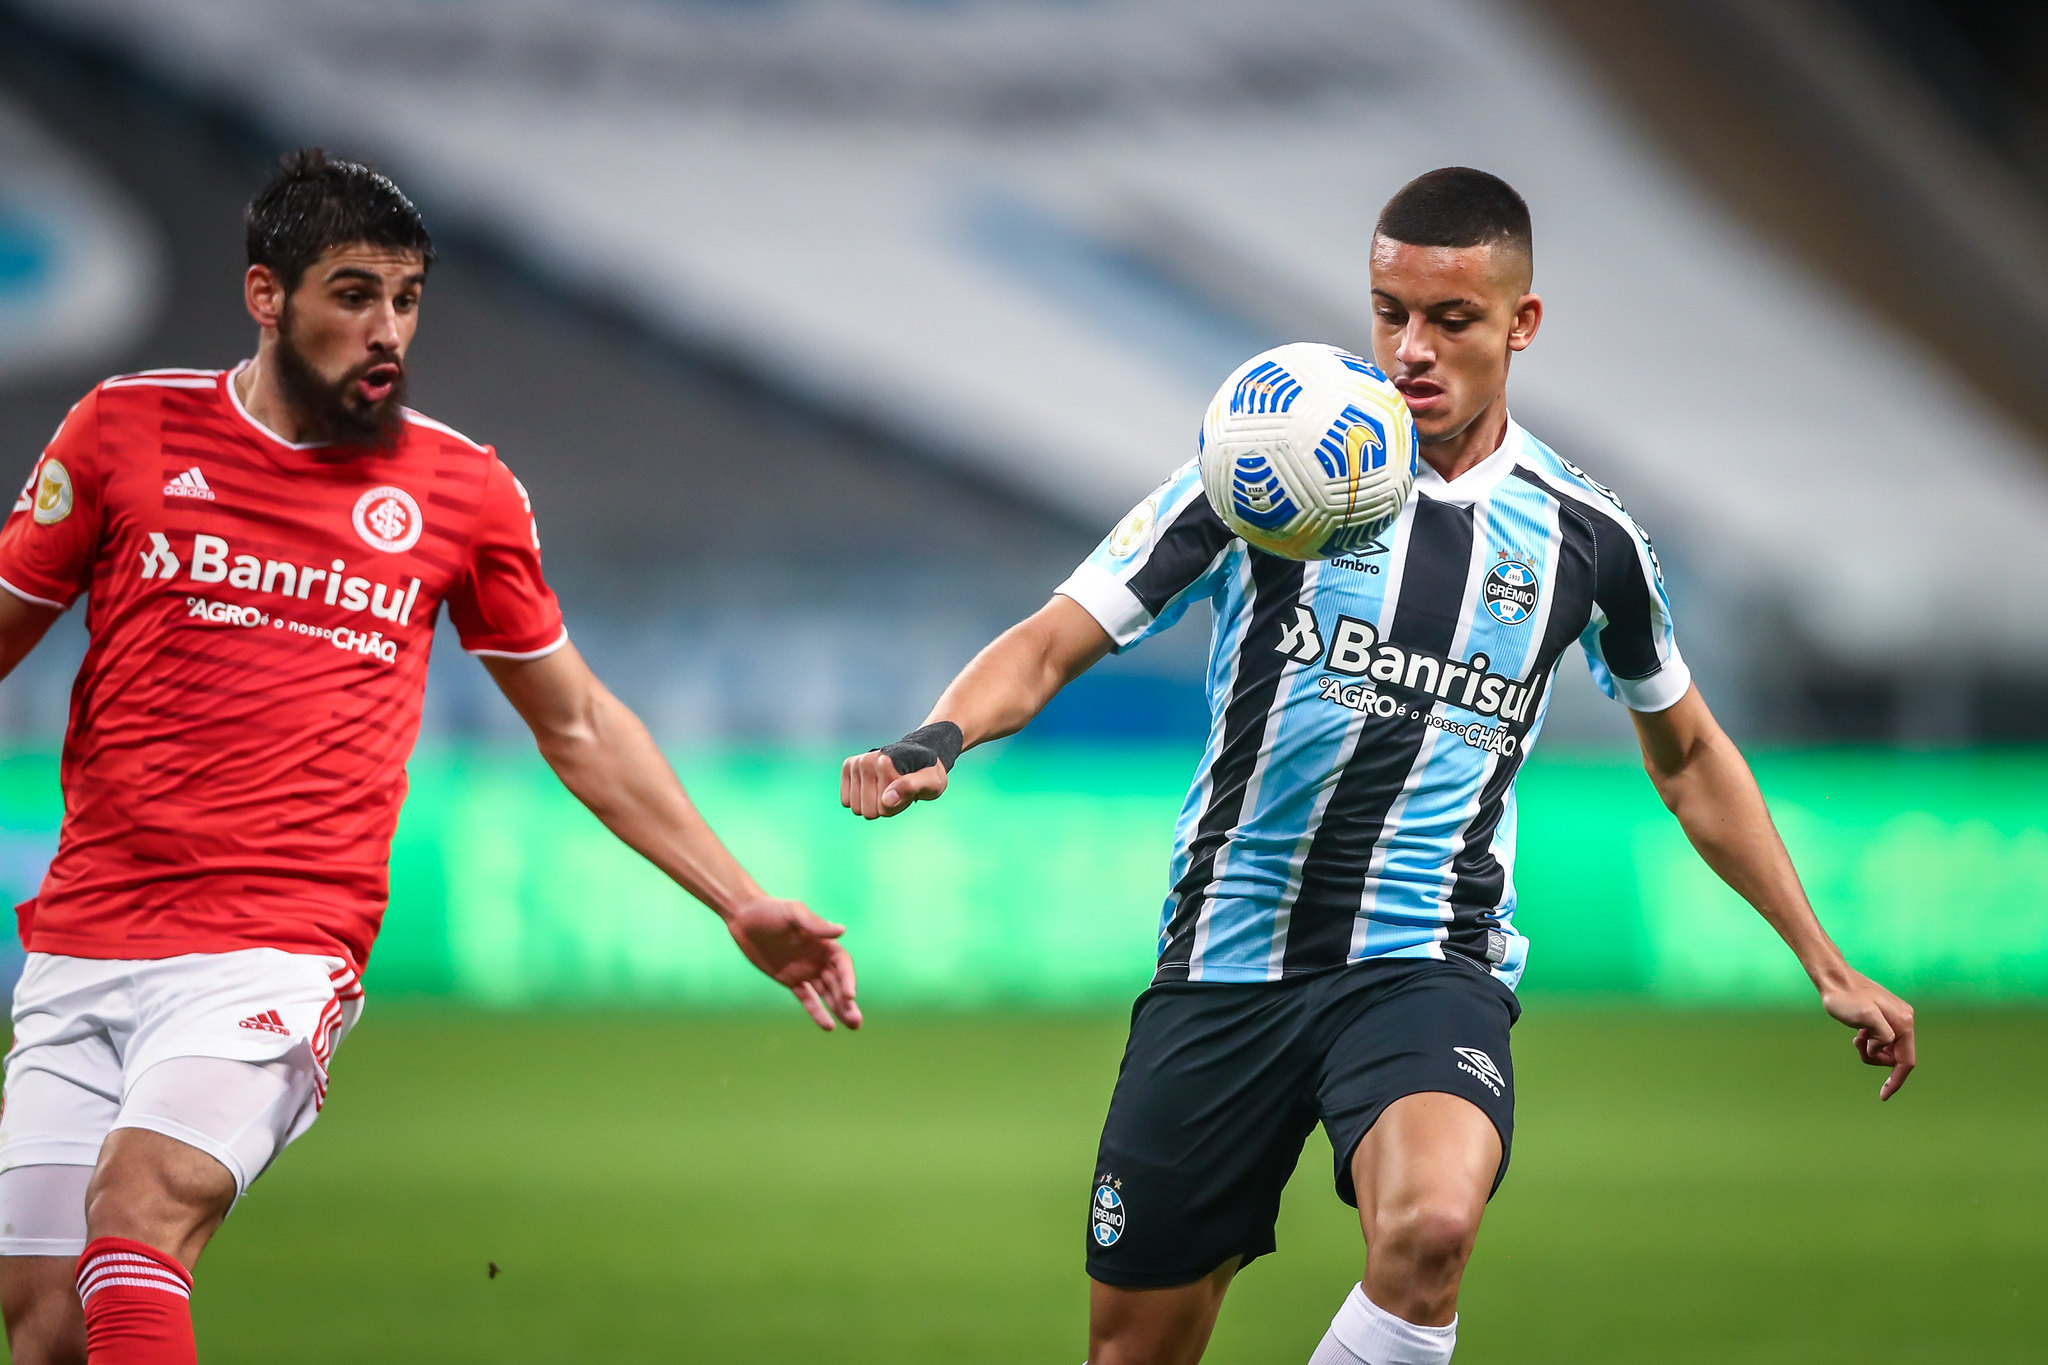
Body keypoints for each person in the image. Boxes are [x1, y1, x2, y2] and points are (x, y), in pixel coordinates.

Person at [841, 166, 1913, 1365]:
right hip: (1226, 957)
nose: (1410, 349)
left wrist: (1822, 959)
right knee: (1132, 1351)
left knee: (1431, 1229)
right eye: (1388, 312)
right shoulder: (1264, 468)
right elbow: (1051, 640)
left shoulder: (1587, 538)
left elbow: (1691, 754)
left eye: (1449, 319)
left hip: (1424, 957)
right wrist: (935, 737)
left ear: (1520, 322)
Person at [0, 148, 859, 1365]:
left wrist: (736, 898)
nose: (388, 329)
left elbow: (576, 721)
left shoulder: (459, 490)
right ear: (265, 296)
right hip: (85, 937)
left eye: (405, 299)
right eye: (354, 294)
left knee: (138, 1219)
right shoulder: (121, 432)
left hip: (272, 944)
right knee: (47, 1324)